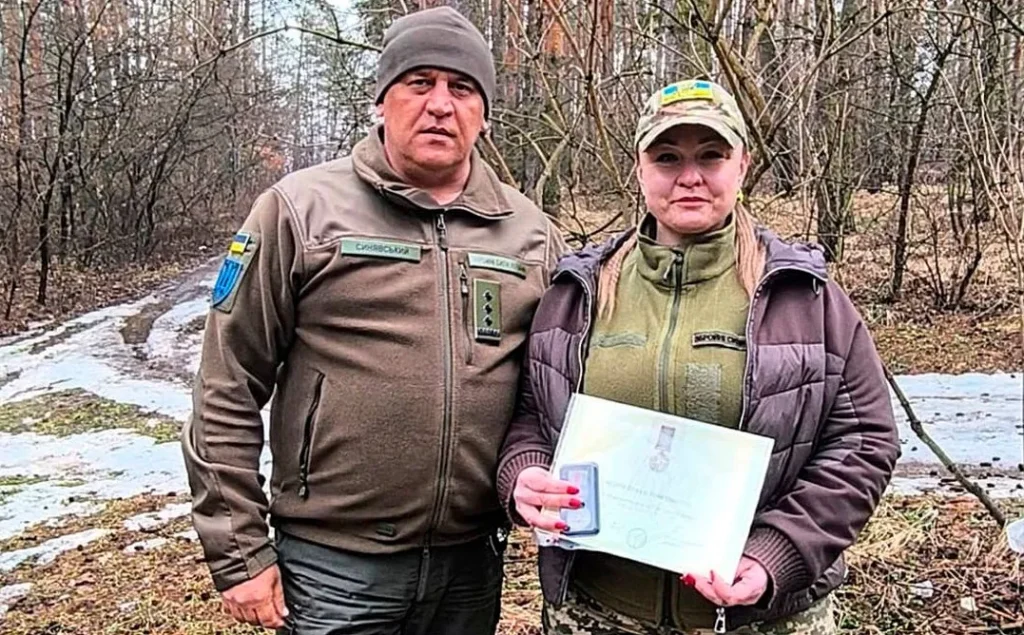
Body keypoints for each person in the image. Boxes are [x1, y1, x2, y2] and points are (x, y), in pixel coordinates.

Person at [181, 6, 566, 635]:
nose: (440, 104)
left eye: (462, 88)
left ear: (484, 114)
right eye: (419, 83)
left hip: (471, 566)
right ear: (382, 101)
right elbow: (226, 385)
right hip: (334, 567)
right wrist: (239, 550)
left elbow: (548, 390)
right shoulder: (301, 211)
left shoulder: (530, 234)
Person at [496, 79, 900, 635]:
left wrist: (775, 554)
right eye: (667, 158)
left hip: (763, 620)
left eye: (711, 156)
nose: (690, 176)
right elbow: (530, 417)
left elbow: (864, 442)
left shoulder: (803, 297)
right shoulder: (576, 292)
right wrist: (525, 473)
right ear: (639, 170)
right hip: (595, 611)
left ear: (743, 166)